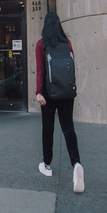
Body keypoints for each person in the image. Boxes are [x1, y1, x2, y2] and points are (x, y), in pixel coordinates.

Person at [36, 12, 84, 193]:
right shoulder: (67, 43)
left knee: (48, 129)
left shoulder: (41, 45)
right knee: (68, 128)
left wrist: (39, 92)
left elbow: (41, 69)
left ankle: (46, 164)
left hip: (49, 94)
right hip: (67, 93)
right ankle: (76, 163)